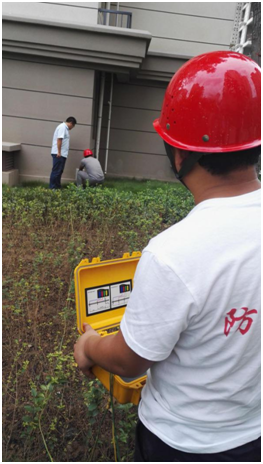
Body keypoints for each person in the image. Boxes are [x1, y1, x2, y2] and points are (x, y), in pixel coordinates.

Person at [74, 51, 261, 462]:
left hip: (180, 443)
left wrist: (90, 345)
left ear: (178, 153)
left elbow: (129, 361)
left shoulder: (175, 252)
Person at [49, 116, 77, 189]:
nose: (72, 127)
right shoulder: (62, 127)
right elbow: (59, 140)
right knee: (56, 171)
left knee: (59, 171)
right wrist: (59, 152)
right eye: (73, 126)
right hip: (59, 154)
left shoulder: (65, 128)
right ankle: (52, 188)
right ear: (71, 123)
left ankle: (57, 187)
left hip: (62, 154)